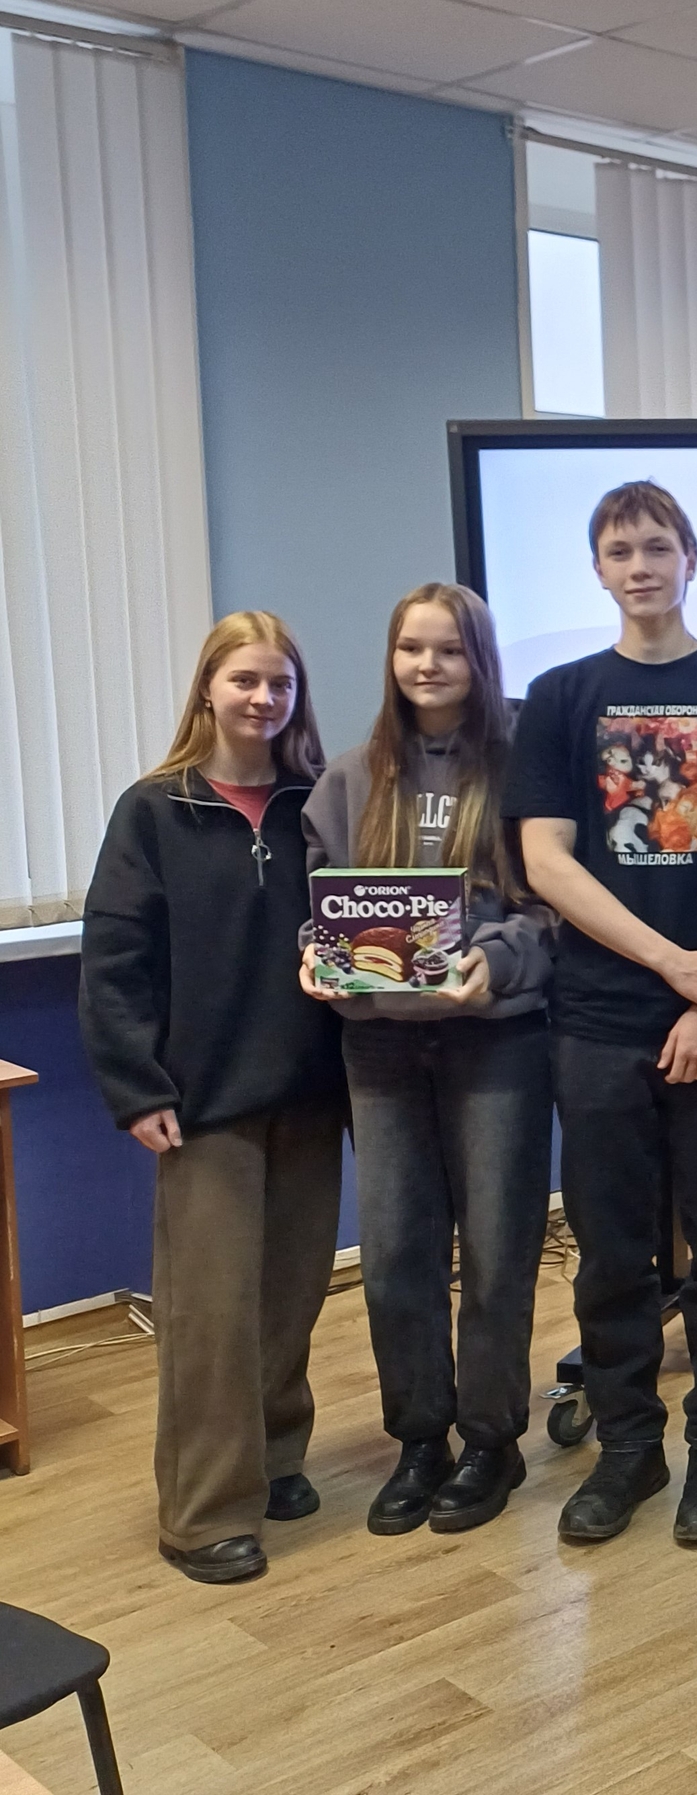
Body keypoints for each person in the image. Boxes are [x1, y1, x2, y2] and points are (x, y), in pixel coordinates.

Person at [502, 480, 697, 1549]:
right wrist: (676, 965)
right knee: (612, 1253)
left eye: (658, 546)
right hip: (598, 1018)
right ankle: (629, 1448)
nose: (640, 565)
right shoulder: (560, 695)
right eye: (620, 549)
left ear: (690, 558)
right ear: (598, 568)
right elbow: (546, 860)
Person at [79, 611, 346, 1584]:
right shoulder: (155, 810)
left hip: (311, 1091)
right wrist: (136, 1086)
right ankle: (203, 1512)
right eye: (244, 679)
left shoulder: (319, 803)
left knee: (291, 1297)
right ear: (208, 688)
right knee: (211, 1314)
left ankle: (272, 1460)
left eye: (280, 682)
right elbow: (114, 961)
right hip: (203, 1101)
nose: (262, 697)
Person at [297, 584, 555, 1537]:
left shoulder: (526, 768)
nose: (428, 666)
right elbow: (321, 902)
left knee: (496, 1251)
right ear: (392, 657)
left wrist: (501, 961)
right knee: (397, 1256)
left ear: (478, 658)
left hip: (497, 1041)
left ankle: (490, 1441)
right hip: (380, 1045)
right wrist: (314, 954)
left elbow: (554, 909)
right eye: (412, 648)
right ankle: (419, 1439)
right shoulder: (349, 777)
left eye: (448, 649)